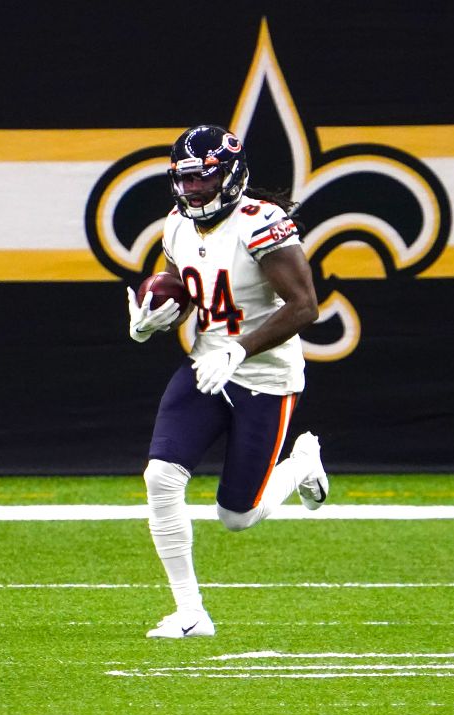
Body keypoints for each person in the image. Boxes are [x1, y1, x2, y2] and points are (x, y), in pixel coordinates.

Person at [126, 124, 328, 639]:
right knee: (161, 478)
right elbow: (194, 293)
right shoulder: (175, 226)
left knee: (237, 516)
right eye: (185, 178)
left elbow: (306, 306)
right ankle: (190, 612)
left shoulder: (261, 224)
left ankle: (303, 463)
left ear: (232, 174)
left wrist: (240, 349)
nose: (192, 189)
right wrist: (155, 321)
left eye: (203, 177)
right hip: (208, 364)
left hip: (265, 375)